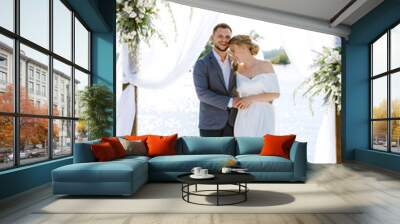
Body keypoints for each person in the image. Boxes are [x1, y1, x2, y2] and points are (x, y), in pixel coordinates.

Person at [229, 35, 280, 137]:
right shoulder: (237, 69)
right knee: (244, 148)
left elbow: (275, 94)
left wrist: (250, 99)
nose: (232, 54)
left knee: (262, 148)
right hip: (243, 116)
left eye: (233, 50)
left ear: (244, 47)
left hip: (264, 115)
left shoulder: (266, 65)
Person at [193, 23, 238, 137]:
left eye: (227, 37)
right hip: (210, 124)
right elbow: (202, 94)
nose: (224, 40)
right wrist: (231, 102)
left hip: (234, 123)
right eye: (220, 36)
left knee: (231, 156)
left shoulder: (236, 61)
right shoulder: (202, 63)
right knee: (212, 156)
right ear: (212, 38)